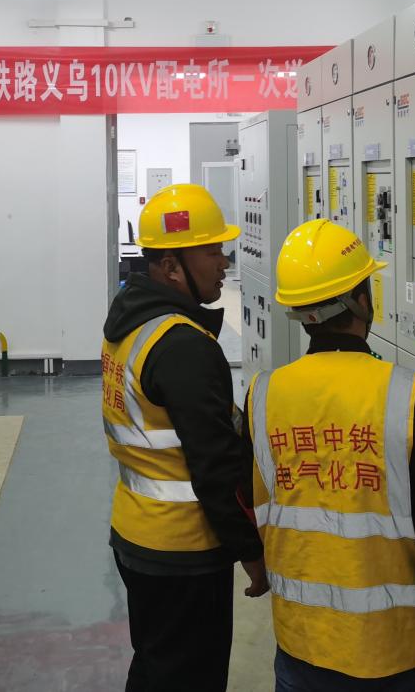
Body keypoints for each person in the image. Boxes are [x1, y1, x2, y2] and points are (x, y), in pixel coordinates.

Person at [247, 219, 415, 692]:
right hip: (392, 650)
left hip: (301, 641)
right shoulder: (408, 396)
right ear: (362, 301)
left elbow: (251, 504)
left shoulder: (264, 394)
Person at [101, 184, 267, 692]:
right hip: (183, 549)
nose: (224, 262)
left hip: (136, 531)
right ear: (172, 267)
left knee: (156, 665)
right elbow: (215, 468)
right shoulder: (183, 345)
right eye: (212, 251)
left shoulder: (131, 320)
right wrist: (252, 553)